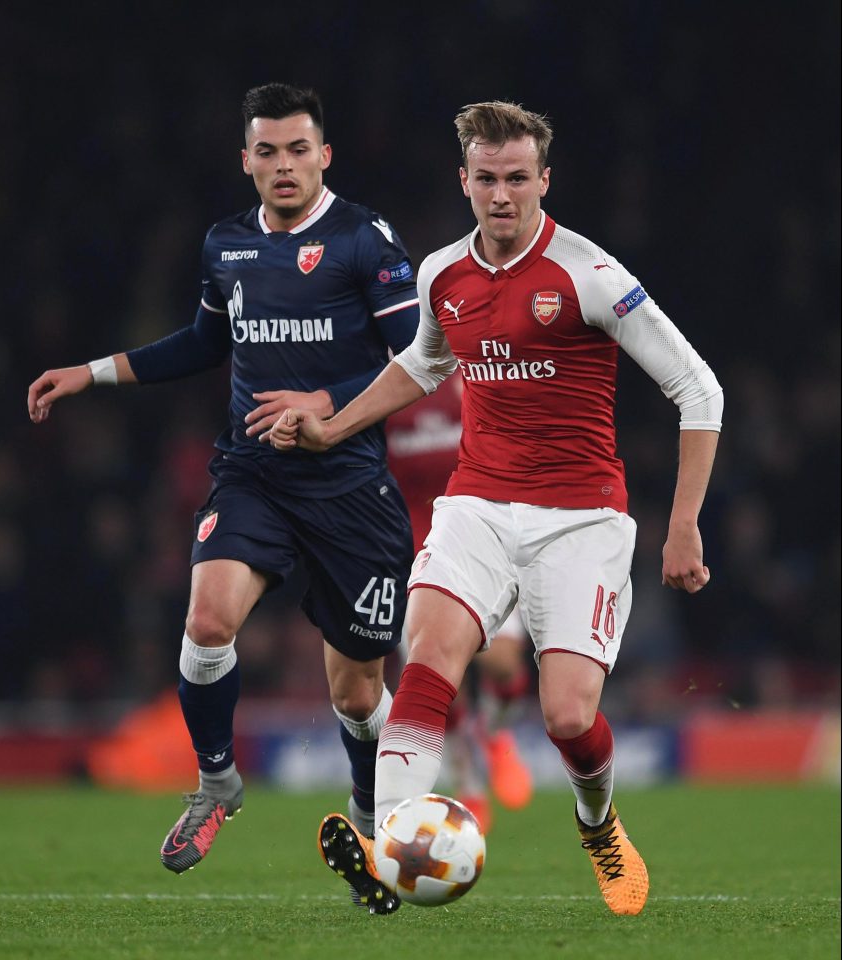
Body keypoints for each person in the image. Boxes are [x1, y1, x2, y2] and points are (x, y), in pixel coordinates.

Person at [262, 100, 723, 916]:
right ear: (464, 182)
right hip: (475, 503)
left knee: (568, 716)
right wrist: (332, 429)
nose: (501, 194)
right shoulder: (443, 274)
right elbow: (421, 365)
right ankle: (393, 845)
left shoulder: (591, 275)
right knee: (428, 656)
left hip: (580, 518)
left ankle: (599, 826)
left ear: (544, 181)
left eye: (517, 178)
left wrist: (683, 522)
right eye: (486, 178)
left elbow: (697, 387)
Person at [26, 82, 420, 878]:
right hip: (256, 476)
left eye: (298, 149)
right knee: (207, 622)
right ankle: (215, 780)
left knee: (354, 695)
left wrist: (325, 402)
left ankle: (371, 809)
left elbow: (420, 360)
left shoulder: (365, 241)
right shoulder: (225, 245)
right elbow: (205, 342)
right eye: (267, 151)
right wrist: (91, 372)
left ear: (324, 156)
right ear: (246, 160)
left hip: (348, 485)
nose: (283, 165)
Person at [385, 372, 534, 832]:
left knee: (506, 666)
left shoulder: (476, 379)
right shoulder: (389, 395)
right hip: (414, 555)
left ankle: (493, 730)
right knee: (435, 679)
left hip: (484, 543)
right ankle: (468, 785)